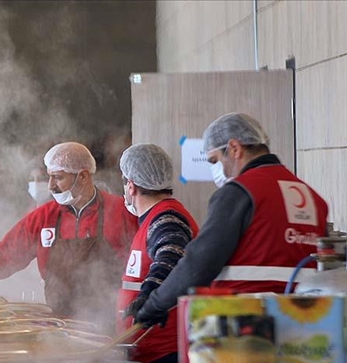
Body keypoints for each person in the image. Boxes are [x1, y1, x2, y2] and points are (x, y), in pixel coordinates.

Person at [131, 113, 329, 328]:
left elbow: (200, 262)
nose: (215, 170)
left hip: (247, 323)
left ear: (234, 148)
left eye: (214, 160)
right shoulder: (312, 197)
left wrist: (155, 304)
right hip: (306, 322)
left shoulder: (240, 192)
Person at [0, 142, 138, 328]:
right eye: (49, 177)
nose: (50, 185)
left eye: (58, 177)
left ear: (83, 176)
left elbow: (148, 265)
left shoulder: (121, 212)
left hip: (112, 326)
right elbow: (3, 255)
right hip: (59, 329)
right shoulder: (44, 217)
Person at [115, 144, 199, 363]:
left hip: (164, 359)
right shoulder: (154, 217)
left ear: (131, 186)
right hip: (150, 355)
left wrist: (150, 295)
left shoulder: (166, 218)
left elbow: (171, 257)